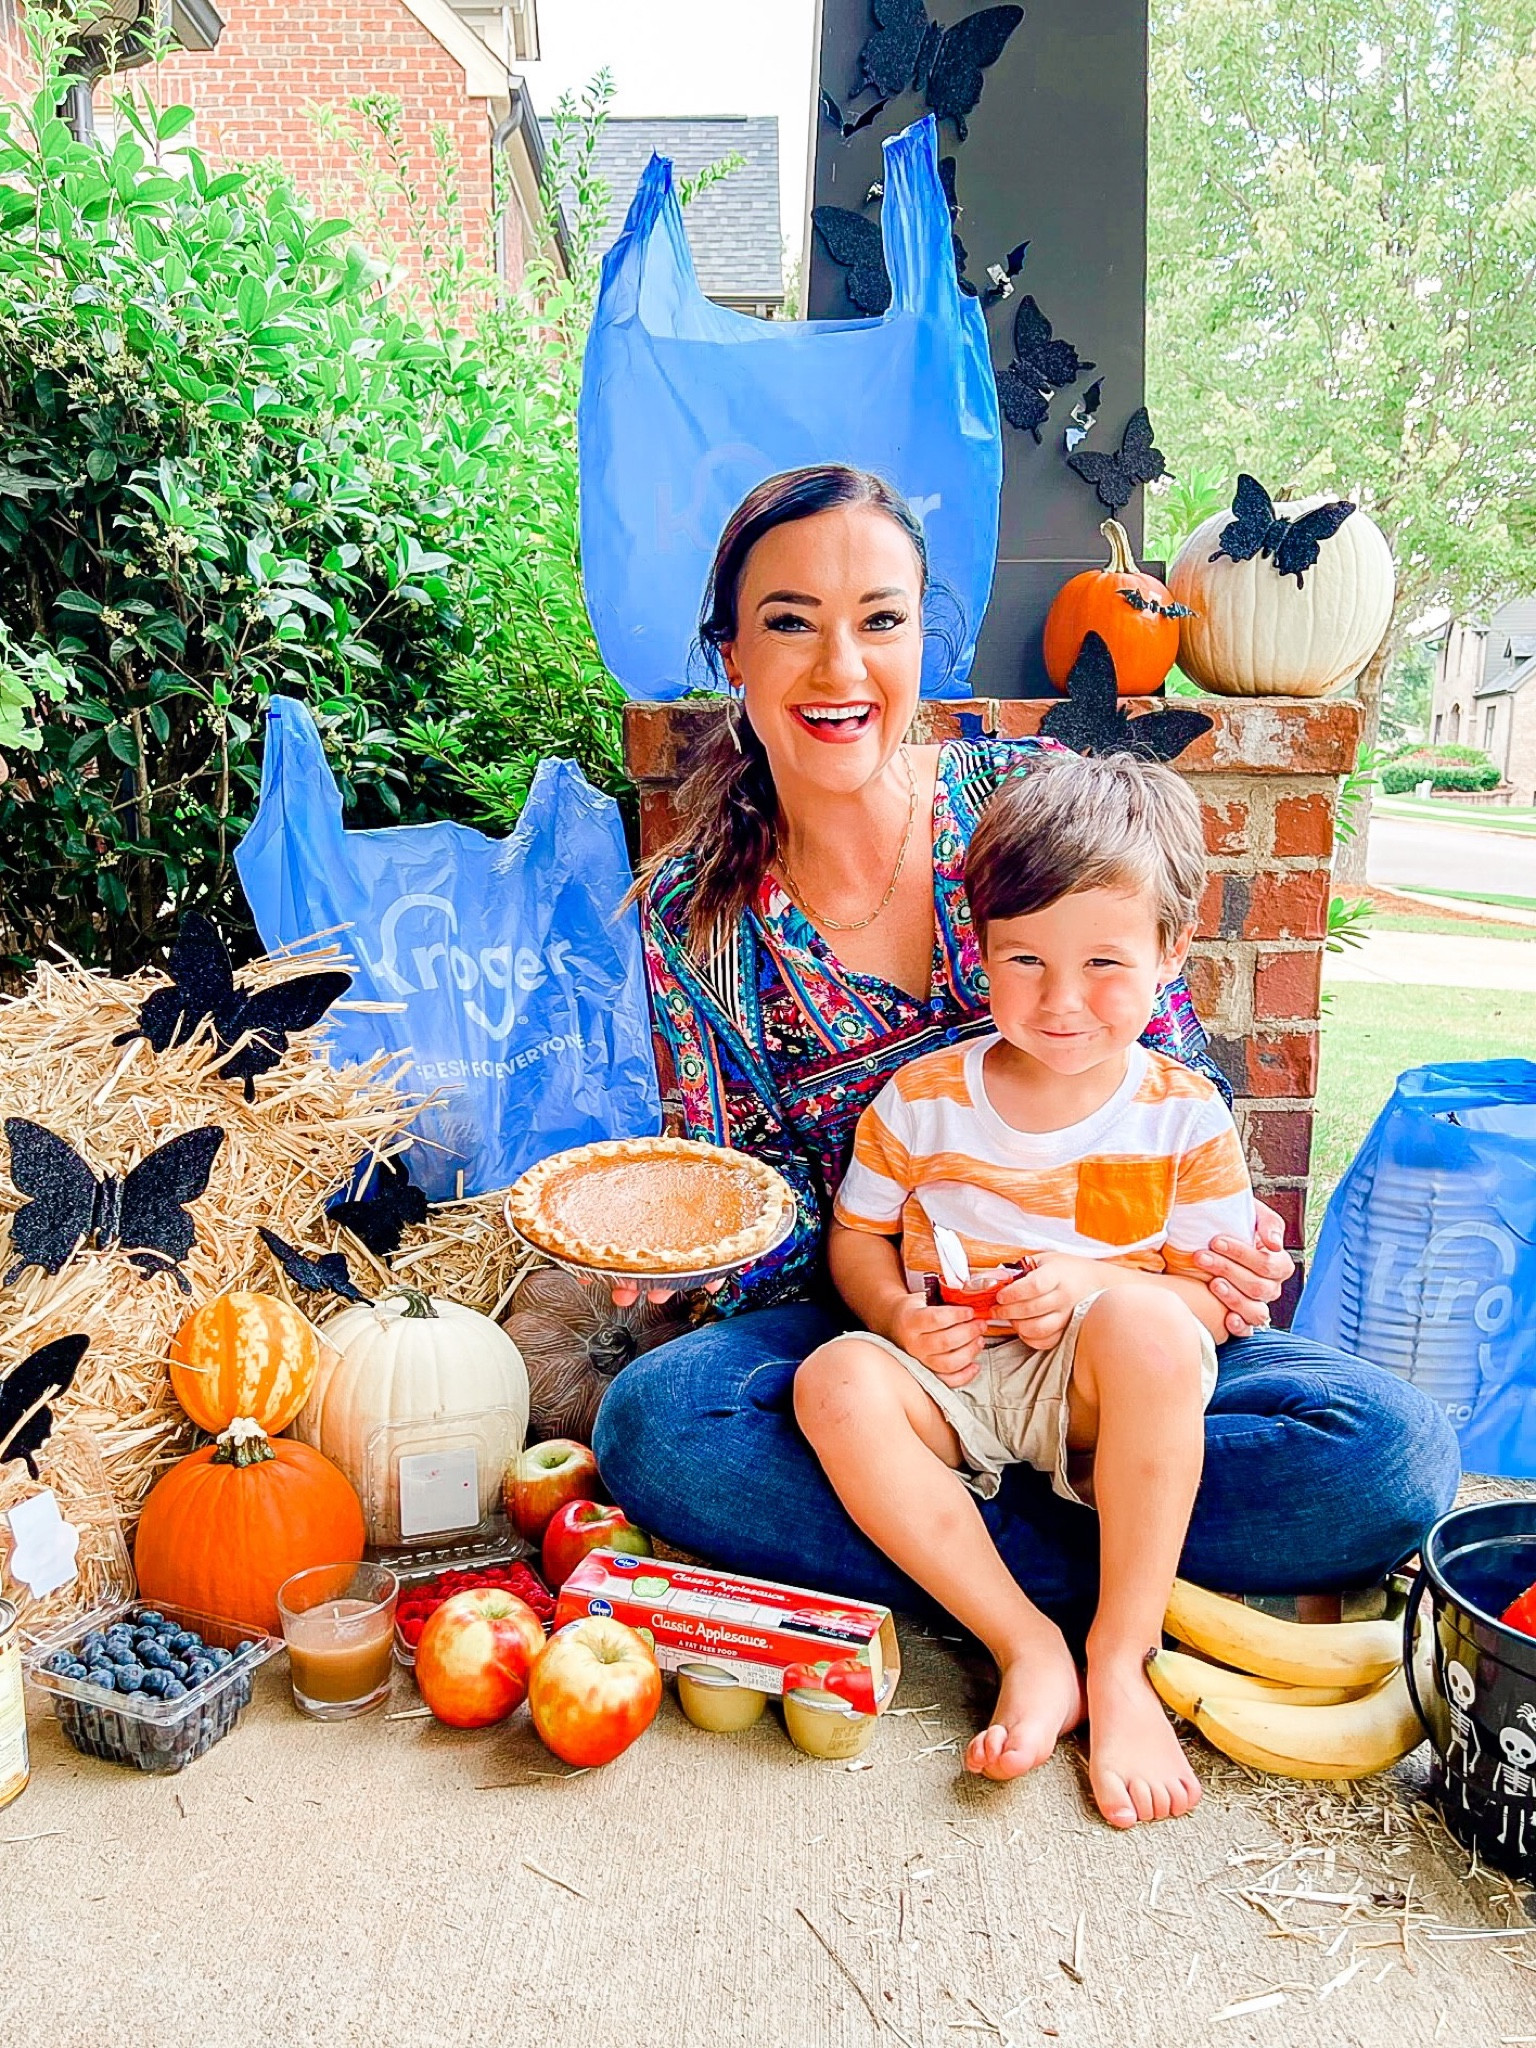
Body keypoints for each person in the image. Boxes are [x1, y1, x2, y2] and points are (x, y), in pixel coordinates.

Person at [592, 461, 1458, 1681]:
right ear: (731, 651)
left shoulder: (1023, 798)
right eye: (790, 622)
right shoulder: (697, 917)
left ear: (921, 638)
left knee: (1396, 1451)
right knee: (660, 1426)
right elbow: (766, 1202)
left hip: (1114, 1316)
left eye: (880, 620)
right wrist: (704, 1248)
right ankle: (1105, 1560)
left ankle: (949, 1545)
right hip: (896, 1342)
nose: (841, 667)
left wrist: (1222, 1253)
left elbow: (1168, 1072)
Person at [796, 751, 1250, 1825]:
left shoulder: (1184, 1116)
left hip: (1097, 1402)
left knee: (1151, 1325)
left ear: (1171, 950)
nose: (1061, 1000)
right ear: (982, 948)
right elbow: (856, 1240)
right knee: (830, 1382)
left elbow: (1212, 1307)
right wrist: (897, 1314)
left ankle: (1121, 1654)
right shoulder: (922, 1101)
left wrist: (1095, 1283)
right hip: (955, 1384)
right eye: (1026, 960)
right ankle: (1025, 1640)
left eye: (1103, 962)